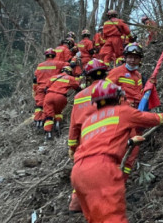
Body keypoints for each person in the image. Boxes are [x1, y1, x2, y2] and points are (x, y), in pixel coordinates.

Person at [70, 80, 163, 222]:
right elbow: (151, 119)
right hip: (101, 168)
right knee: (113, 218)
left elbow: (97, 145)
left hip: (78, 172)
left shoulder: (89, 121)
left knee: (96, 218)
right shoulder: (122, 111)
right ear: (119, 97)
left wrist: (130, 142)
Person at [67, 59, 109, 214]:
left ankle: (76, 205)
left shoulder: (79, 97)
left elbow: (74, 126)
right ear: (105, 74)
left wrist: (72, 147)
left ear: (88, 76)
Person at [33, 48, 69, 127]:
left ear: (45, 56)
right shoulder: (58, 63)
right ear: (54, 55)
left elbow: (35, 77)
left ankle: (38, 121)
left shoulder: (40, 65)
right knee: (51, 107)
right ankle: (53, 123)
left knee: (39, 105)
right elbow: (68, 66)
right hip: (51, 89)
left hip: (40, 88)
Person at [43, 65, 81, 140]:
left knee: (48, 115)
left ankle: (49, 133)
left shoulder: (54, 77)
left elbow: (46, 88)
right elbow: (77, 88)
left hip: (49, 96)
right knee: (58, 112)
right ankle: (57, 125)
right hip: (61, 97)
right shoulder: (71, 78)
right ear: (70, 73)